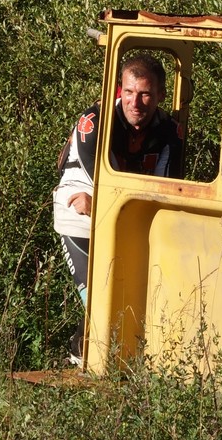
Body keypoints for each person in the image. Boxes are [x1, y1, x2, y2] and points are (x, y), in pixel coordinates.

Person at [52, 53, 185, 357]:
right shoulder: (94, 123)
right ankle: (84, 355)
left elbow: (162, 190)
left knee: (130, 298)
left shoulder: (169, 132)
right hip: (80, 214)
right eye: (128, 92)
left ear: (160, 96)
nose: (134, 103)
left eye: (144, 94)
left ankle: (91, 355)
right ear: (118, 91)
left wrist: (107, 206)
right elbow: (94, 188)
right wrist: (100, 206)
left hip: (121, 210)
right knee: (97, 300)